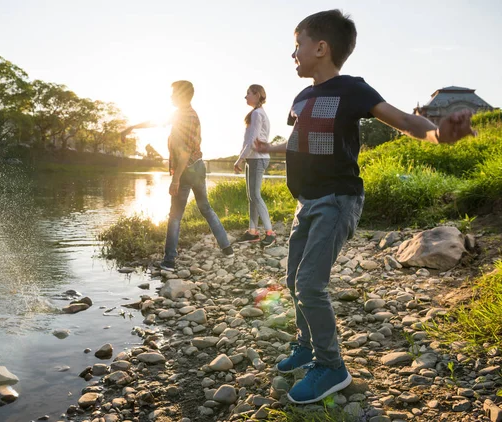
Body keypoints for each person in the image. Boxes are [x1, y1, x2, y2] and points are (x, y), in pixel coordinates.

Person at [255, 9, 475, 404]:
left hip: (337, 200)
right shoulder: (302, 97)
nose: (293, 55)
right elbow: (297, 141)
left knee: (310, 284)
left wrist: (439, 134)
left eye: (297, 45)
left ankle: (331, 366)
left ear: (321, 48)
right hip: (306, 203)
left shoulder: (352, 89)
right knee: (292, 279)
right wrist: (266, 149)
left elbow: (403, 119)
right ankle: (306, 345)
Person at [121, 80, 234, 272]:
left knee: (175, 216)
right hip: (198, 168)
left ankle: (169, 261)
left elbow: (184, 153)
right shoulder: (183, 114)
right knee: (205, 208)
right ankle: (227, 248)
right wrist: (132, 127)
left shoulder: (186, 117)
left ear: (182, 95)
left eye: (173, 93)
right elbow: (156, 122)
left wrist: (175, 180)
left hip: (187, 170)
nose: (171, 96)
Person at [233, 84, 276, 247]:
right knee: (251, 196)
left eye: (248, 93)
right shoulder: (256, 114)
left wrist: (239, 159)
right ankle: (252, 232)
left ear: (257, 94)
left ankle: (270, 233)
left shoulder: (258, 114)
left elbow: (253, 141)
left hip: (258, 158)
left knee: (255, 195)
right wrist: (244, 158)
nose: (246, 97)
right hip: (253, 158)